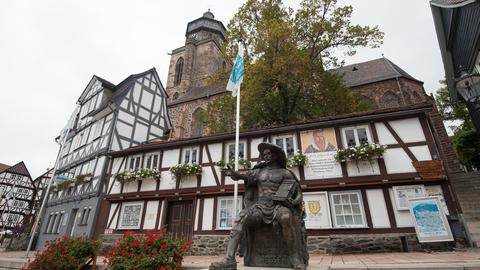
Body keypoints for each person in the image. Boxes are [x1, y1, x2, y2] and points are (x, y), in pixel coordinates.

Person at [210, 143, 308, 270]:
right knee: (240, 219)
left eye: (269, 154)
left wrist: (293, 202)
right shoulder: (258, 172)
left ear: (276, 155)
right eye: (264, 154)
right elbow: (242, 175)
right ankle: (229, 259)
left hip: (278, 206)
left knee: (285, 217)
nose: (266, 156)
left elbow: (298, 193)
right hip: (260, 207)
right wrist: (233, 173)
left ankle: (294, 258)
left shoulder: (286, 173)